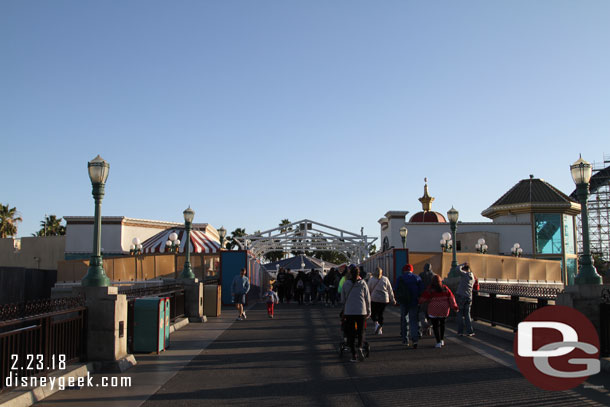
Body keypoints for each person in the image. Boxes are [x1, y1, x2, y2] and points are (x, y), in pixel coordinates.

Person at [341, 265, 371, 362]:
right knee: (361, 331)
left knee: (351, 333)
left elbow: (342, 299)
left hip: (349, 311)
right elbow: (367, 298)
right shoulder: (363, 283)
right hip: (361, 311)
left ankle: (354, 355)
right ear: (359, 274)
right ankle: (360, 347)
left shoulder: (346, 284)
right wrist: (369, 310)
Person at [419, 275, 458, 348]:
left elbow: (424, 298)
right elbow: (451, 298)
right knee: (442, 325)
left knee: (435, 326)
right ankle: (442, 339)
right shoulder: (445, 288)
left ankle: (438, 341)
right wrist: (455, 307)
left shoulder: (430, 289)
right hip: (444, 309)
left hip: (433, 310)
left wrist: (420, 302)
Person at [395, 264, 423, 348]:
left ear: (404, 270)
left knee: (404, 320)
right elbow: (421, 290)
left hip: (404, 302)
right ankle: (415, 340)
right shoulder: (417, 278)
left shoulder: (400, 278)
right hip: (414, 302)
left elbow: (396, 289)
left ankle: (405, 340)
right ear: (412, 270)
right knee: (413, 321)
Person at [367, 266, 395, 335]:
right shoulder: (385, 279)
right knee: (380, 314)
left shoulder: (371, 279)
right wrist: (393, 299)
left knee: (373, 313)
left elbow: (368, 290)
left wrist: (367, 299)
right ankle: (380, 329)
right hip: (384, 299)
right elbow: (390, 290)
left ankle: (376, 324)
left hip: (374, 299)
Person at [456, 263, 476, 336]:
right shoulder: (473, 277)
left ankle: (460, 331)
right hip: (469, 297)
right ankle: (469, 331)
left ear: (464, 269)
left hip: (461, 296)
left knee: (460, 314)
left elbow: (457, 268)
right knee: (467, 314)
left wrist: (463, 264)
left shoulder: (464, 274)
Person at [418, 263, 437, 336]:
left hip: (423, 297)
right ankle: (429, 327)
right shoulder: (434, 276)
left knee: (422, 313)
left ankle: (424, 326)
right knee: (431, 314)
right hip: (433, 298)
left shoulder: (421, 275)